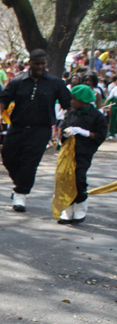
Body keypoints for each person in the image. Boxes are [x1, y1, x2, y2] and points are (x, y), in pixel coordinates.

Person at [0, 49, 71, 212]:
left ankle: (20, 194)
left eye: (42, 64)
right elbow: (2, 100)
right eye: (36, 63)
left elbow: (68, 104)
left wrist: (72, 122)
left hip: (41, 129)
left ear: (46, 64)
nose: (40, 67)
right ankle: (20, 183)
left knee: (29, 163)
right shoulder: (18, 81)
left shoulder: (55, 82)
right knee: (7, 157)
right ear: (29, 63)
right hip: (17, 127)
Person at [57, 85, 108, 224]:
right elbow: (63, 127)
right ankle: (67, 209)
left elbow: (101, 135)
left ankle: (80, 206)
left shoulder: (96, 116)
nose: (71, 101)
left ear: (82, 100)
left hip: (84, 152)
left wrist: (85, 132)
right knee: (66, 178)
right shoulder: (71, 113)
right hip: (68, 153)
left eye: (73, 98)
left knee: (79, 178)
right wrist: (66, 132)